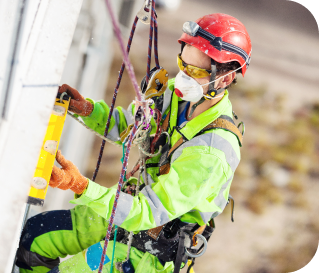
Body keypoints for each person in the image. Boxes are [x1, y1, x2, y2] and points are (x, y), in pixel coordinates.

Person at [15, 13, 252, 273]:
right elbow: (132, 129)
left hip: (152, 248)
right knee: (35, 238)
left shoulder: (212, 151)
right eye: (182, 64)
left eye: (195, 71)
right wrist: (88, 110)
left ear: (226, 78)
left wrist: (81, 186)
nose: (183, 76)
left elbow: (149, 211)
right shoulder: (176, 94)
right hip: (129, 210)